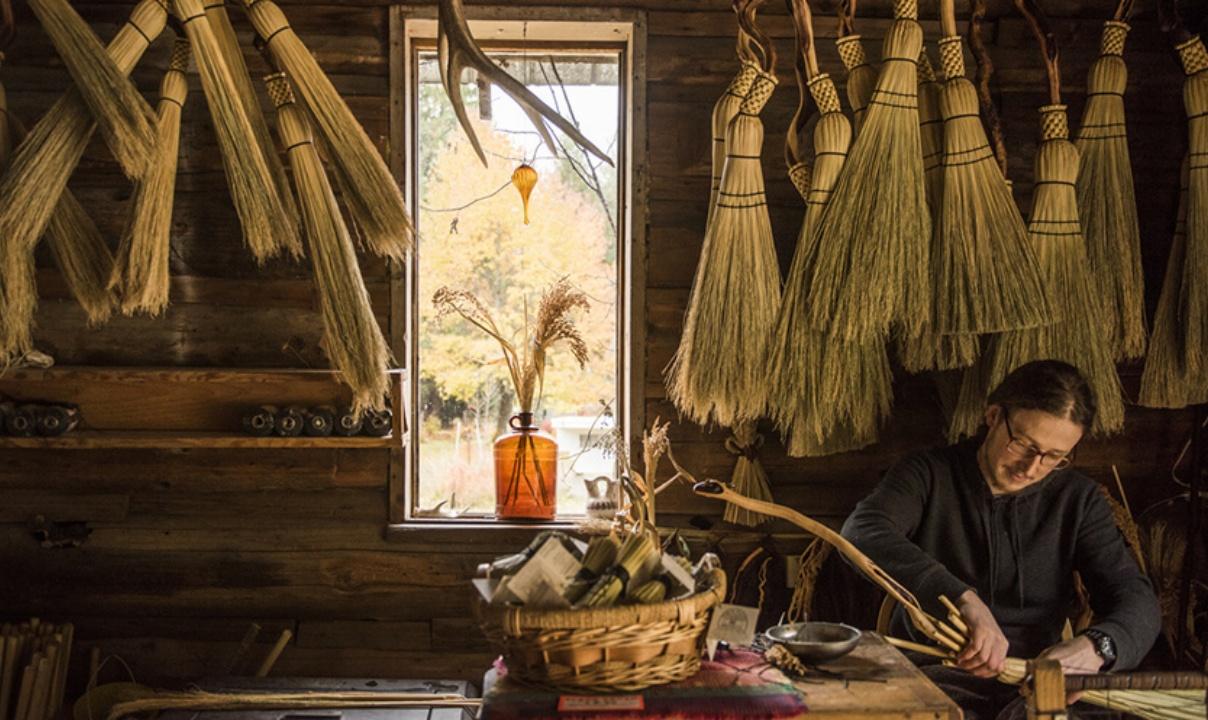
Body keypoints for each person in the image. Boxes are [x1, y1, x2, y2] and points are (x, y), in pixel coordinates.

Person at [841, 360, 1160, 720]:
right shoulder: (928, 473)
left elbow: (1135, 597)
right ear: (993, 416)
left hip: (1036, 679)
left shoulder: (1078, 499)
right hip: (935, 676)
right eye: (1023, 444)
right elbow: (863, 529)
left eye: (1054, 457)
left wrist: (1097, 647)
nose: (1031, 467)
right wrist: (962, 599)